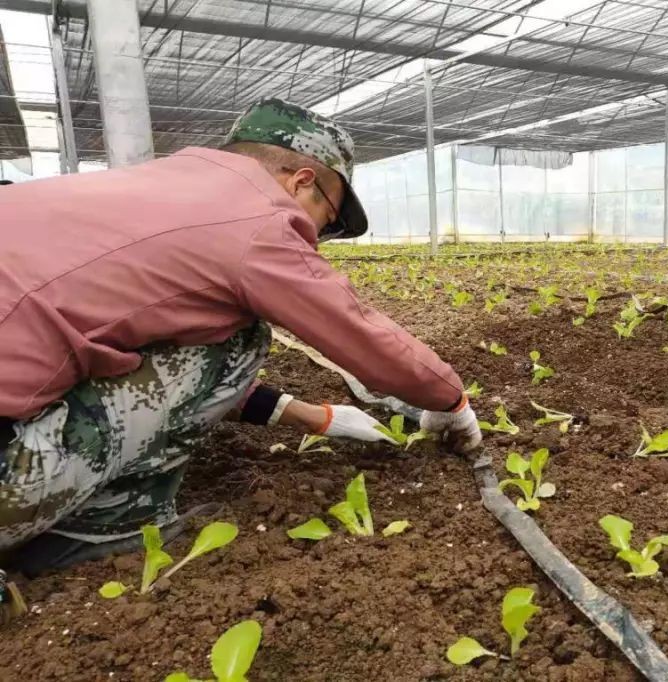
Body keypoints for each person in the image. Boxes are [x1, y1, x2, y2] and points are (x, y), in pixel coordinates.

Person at [0, 98, 481, 576]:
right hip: (9, 479)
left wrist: (318, 418)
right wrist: (450, 399)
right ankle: (110, 527)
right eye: (328, 219)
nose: (319, 235)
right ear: (302, 181)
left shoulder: (149, 187)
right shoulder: (255, 218)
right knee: (241, 336)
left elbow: (158, 369)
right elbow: (361, 334)